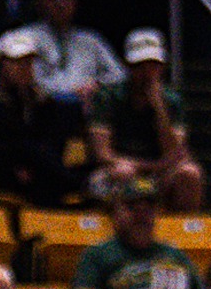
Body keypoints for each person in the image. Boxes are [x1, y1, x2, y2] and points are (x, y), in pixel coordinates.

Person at [71, 179, 203, 289]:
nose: (141, 215)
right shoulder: (99, 253)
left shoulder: (175, 254)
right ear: (116, 212)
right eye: (133, 208)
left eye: (148, 210)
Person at [87, 29, 204, 210]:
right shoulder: (108, 97)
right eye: (140, 66)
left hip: (159, 173)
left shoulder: (172, 101)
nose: (147, 72)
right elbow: (102, 154)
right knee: (121, 173)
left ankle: (181, 233)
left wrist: (159, 108)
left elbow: (174, 152)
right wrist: (147, 166)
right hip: (120, 167)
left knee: (190, 174)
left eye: (153, 66)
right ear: (129, 66)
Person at [0, 34, 79, 205]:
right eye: (18, 63)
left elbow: (50, 144)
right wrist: (16, 161)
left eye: (29, 63)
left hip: (34, 172)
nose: (25, 68)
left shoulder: (40, 103)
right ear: (0, 65)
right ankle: (72, 182)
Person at [0, 0, 124, 107]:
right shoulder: (20, 37)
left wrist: (98, 85)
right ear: (39, 2)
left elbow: (120, 77)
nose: (59, 3)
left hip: (83, 110)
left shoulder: (91, 41)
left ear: (75, 2)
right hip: (38, 109)